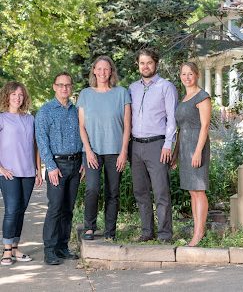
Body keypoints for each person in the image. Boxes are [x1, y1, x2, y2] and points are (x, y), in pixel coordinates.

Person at [78, 56, 131, 241]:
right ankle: (89, 227)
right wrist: (88, 150)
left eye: (106, 69)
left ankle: (110, 231)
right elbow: (81, 126)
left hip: (115, 151)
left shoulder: (121, 93)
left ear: (111, 71)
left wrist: (124, 151)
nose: (102, 72)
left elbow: (127, 125)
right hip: (92, 152)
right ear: (94, 70)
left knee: (113, 192)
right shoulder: (85, 94)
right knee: (92, 188)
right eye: (99, 69)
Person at [129, 48, 178, 243]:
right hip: (136, 147)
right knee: (140, 191)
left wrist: (168, 144)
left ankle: (165, 234)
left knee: (161, 191)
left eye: (149, 62)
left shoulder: (166, 87)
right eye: (142, 63)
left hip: (157, 145)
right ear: (138, 65)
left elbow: (172, 119)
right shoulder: (132, 88)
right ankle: (147, 231)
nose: (145, 66)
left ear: (155, 64)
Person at [35, 72, 83, 265]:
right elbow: (42, 141)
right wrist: (51, 167)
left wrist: (85, 163)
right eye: (60, 85)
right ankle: (50, 250)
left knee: (68, 209)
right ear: (54, 86)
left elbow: (84, 136)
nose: (64, 88)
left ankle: (63, 247)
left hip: (76, 164)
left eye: (68, 85)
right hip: (57, 166)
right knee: (55, 208)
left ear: (71, 88)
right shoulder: (45, 111)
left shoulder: (76, 110)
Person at [0, 81, 43, 266]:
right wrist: (0, 168)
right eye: (13, 94)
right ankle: (6, 251)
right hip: (9, 173)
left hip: (27, 172)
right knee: (11, 210)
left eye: (20, 95)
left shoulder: (30, 119)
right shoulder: (2, 118)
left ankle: (15, 247)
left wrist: (38, 170)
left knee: (20, 211)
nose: (17, 98)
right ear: (7, 96)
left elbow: (35, 146)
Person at [171, 62, 211, 247]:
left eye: (190, 74)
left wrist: (197, 152)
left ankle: (199, 233)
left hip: (197, 145)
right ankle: (198, 229)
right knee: (192, 191)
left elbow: (204, 126)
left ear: (197, 75)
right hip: (185, 146)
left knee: (199, 190)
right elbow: (181, 129)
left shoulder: (202, 97)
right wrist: (176, 154)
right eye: (184, 74)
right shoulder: (185, 97)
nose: (187, 77)